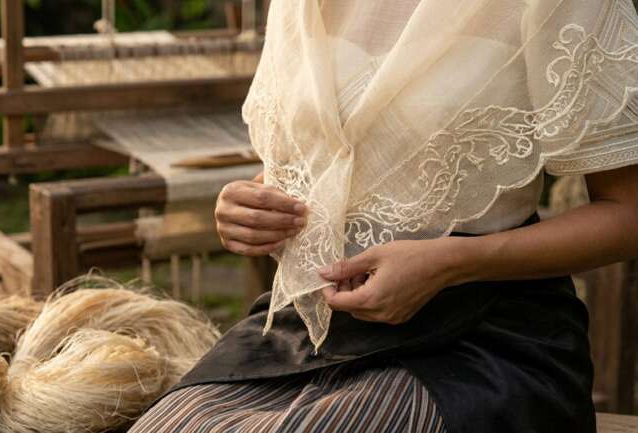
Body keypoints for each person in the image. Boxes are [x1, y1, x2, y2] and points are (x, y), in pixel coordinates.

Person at [129, 1, 638, 432]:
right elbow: (333, 170)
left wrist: (452, 262)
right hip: (305, 334)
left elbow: (628, 214)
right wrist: (249, 206)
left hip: (483, 344)